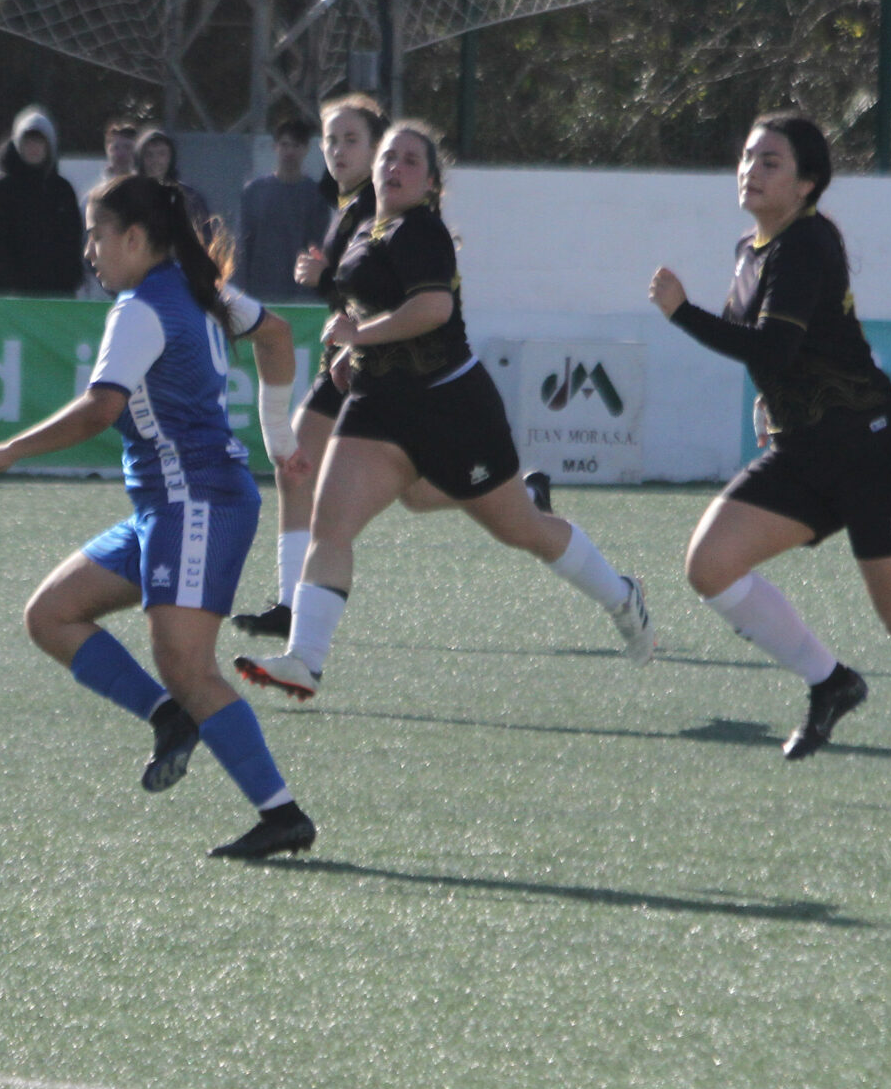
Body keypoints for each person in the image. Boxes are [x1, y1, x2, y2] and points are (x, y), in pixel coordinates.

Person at [650, 109, 891, 805]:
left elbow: (772, 348)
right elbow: (774, 355)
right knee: (709, 565)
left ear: (807, 184)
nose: (751, 170)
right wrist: (773, 401)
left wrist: (682, 312)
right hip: (805, 450)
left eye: (771, 161)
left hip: (873, 450)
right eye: (747, 157)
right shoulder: (754, 247)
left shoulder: (807, 245)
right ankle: (831, 681)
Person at [0, 173, 316, 861]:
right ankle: (168, 717)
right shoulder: (200, 288)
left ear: (133, 237)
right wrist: (280, 439)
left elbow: (101, 408)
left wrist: (9, 451)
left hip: (196, 503)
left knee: (186, 663)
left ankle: (282, 814)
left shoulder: (142, 307)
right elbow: (276, 337)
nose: (89, 250)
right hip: (171, 506)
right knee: (51, 615)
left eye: (97, 235)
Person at [236, 121, 654, 704]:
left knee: (521, 530)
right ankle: (305, 660)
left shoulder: (420, 230)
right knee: (331, 526)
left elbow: (432, 307)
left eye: (411, 161)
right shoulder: (365, 230)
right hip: (378, 407)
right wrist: (355, 349)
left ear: (431, 182)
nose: (395, 167)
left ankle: (620, 596)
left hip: (451, 406)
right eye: (389, 157)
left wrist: (361, 334)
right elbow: (373, 311)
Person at [236, 94, 385, 636]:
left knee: (425, 488)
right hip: (347, 360)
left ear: (376, 147)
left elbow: (391, 288)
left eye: (351, 140)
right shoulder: (346, 203)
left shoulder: (383, 206)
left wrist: (325, 282)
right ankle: (288, 604)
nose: (337, 150)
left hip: (387, 362)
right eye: (332, 140)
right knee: (294, 464)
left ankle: (519, 494)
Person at [0, 106, 85, 297]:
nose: (33, 148)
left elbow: (73, 240)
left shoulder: (62, 190)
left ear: (50, 146)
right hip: (9, 295)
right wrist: (12, 279)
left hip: (57, 295)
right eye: (27, 142)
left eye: (39, 142)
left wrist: (70, 277)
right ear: (17, 144)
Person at [235, 117, 329, 303]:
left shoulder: (317, 196)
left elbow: (318, 249)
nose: (290, 152)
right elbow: (242, 247)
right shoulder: (254, 192)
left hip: (301, 296)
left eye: (296, 146)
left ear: (306, 149)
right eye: (285, 145)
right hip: (259, 294)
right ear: (275, 147)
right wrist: (239, 292)